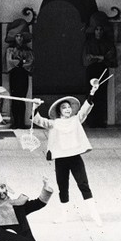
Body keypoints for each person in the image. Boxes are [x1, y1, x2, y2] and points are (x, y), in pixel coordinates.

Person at [32, 80, 103, 226]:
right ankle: (64, 215)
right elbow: (38, 121)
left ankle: (94, 214)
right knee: (62, 187)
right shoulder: (54, 123)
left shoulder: (77, 119)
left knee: (83, 184)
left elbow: (86, 108)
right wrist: (35, 107)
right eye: (64, 108)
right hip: (60, 158)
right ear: (59, 111)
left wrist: (93, 91)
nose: (67, 109)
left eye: (69, 107)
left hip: (74, 157)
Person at [82, 13, 117, 128]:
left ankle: (100, 121)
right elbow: (87, 59)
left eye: (101, 29)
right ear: (94, 31)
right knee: (91, 94)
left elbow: (111, 57)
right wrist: (101, 57)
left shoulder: (108, 43)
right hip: (91, 70)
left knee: (101, 95)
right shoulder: (88, 43)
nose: (99, 32)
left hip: (102, 70)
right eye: (97, 29)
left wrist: (97, 57)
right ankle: (90, 120)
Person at [5, 19, 34, 129]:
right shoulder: (11, 50)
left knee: (23, 98)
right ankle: (15, 122)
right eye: (17, 36)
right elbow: (9, 61)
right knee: (15, 98)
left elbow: (31, 61)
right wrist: (21, 62)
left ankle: (21, 122)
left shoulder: (27, 50)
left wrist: (22, 63)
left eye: (21, 36)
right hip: (15, 74)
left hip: (23, 75)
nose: (19, 38)